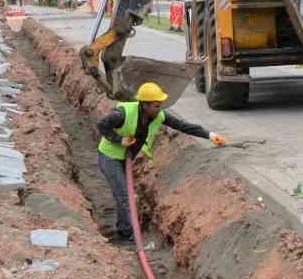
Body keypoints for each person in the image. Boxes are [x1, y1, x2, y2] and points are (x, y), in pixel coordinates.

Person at [95, 82, 224, 245]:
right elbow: (101, 125)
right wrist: (120, 140)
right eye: (156, 106)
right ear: (145, 105)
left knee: (124, 195)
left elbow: (183, 126)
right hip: (109, 158)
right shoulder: (122, 114)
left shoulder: (158, 116)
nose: (159, 109)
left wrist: (210, 135)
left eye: (160, 105)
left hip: (125, 158)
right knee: (124, 196)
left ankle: (125, 231)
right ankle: (125, 235)